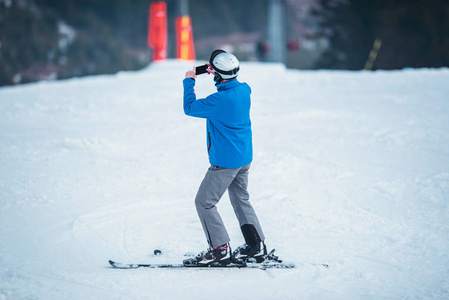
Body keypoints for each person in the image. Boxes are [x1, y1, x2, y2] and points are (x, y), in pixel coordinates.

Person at [182, 50, 267, 266]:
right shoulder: (244, 90)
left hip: (225, 162)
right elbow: (229, 83)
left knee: (204, 203)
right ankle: (256, 246)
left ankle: (219, 250)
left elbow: (189, 108)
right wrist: (218, 73)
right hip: (244, 157)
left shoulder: (219, 100)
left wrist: (189, 82)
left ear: (219, 76)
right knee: (241, 199)